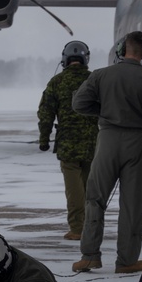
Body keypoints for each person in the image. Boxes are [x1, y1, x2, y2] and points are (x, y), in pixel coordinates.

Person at [71, 31, 142, 274]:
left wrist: (105, 110)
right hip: (137, 142)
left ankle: (89, 256)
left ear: (120, 50)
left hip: (107, 139)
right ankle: (127, 260)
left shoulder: (101, 75)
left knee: (95, 198)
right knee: (133, 204)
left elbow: (79, 104)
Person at [37, 40, 98, 241]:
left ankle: (78, 228)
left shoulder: (57, 82)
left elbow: (45, 114)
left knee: (74, 191)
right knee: (91, 189)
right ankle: (93, 226)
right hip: (93, 144)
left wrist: (44, 140)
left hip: (68, 147)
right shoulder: (94, 80)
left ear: (65, 59)